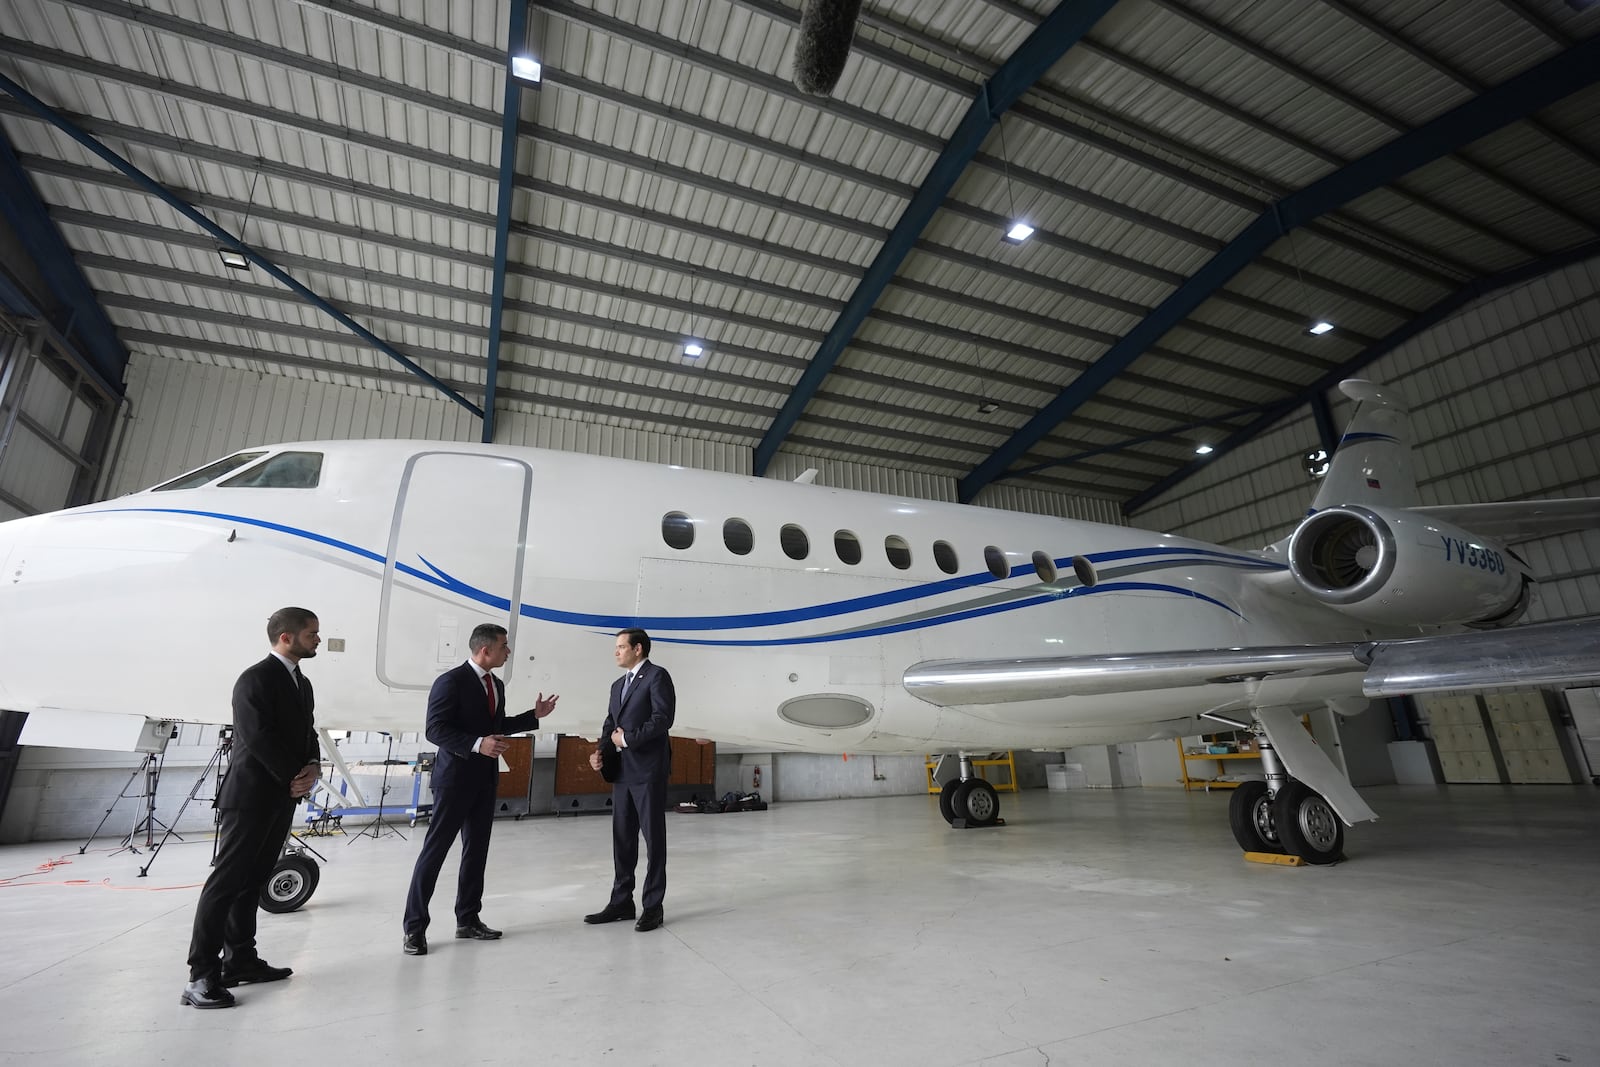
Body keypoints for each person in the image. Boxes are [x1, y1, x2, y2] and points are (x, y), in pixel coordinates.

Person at [182, 607, 323, 1009]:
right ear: (286, 637)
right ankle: (201, 976)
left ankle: (240, 960)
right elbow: (256, 736)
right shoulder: (255, 679)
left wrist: (312, 766)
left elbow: (307, 730)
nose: (317, 640)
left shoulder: (302, 683)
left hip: (282, 795)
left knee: (254, 879)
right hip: (251, 797)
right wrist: (291, 776)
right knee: (226, 883)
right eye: (311, 634)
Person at [401, 623, 557, 955]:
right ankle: (414, 928)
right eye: (504, 646)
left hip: (485, 780)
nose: (508, 651)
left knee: (476, 852)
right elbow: (435, 729)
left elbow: (495, 727)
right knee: (435, 852)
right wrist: (476, 744)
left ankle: (468, 920)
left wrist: (534, 716)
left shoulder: (496, 684)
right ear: (485, 650)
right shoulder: (451, 682)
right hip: (454, 780)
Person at [585, 628, 676, 932]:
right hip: (622, 773)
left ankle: (653, 906)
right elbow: (610, 723)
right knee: (622, 839)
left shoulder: (657, 676)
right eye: (616, 647)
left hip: (647, 771)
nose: (616, 652)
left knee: (653, 841)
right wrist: (600, 752)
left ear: (638, 649)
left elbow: (663, 719)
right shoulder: (617, 685)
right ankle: (622, 901)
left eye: (621, 647)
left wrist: (628, 740)